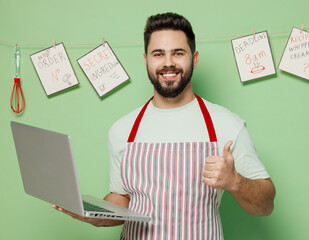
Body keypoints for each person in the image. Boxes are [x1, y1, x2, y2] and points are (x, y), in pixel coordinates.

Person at [53, 12, 275, 239]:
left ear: (194, 59)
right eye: (158, 54)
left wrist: (235, 182)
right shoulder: (122, 130)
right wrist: (93, 214)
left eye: (178, 53)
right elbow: (123, 200)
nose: (168, 62)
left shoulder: (226, 125)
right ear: (146, 60)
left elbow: (265, 206)